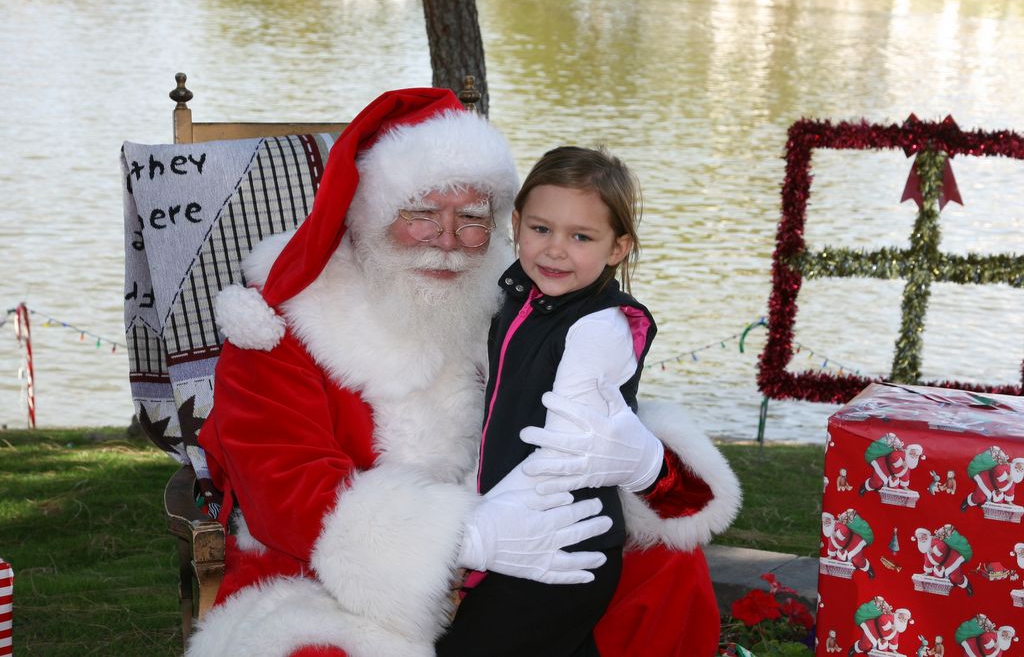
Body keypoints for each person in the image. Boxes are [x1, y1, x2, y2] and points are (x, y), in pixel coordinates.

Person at [186, 88, 741, 657]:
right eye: (422, 213)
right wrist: (469, 539)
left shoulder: (523, 288)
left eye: (472, 218)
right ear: (372, 215)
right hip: (339, 579)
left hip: (518, 548)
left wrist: (649, 464)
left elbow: (585, 417)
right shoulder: (284, 318)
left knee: (668, 565)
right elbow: (283, 491)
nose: (448, 241)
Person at [437, 146, 661, 656]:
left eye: (581, 237)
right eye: (541, 229)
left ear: (618, 247)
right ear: (515, 223)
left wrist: (475, 532)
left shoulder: (600, 326)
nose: (556, 250)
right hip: (520, 532)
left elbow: (563, 446)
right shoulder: (521, 298)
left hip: (561, 543)